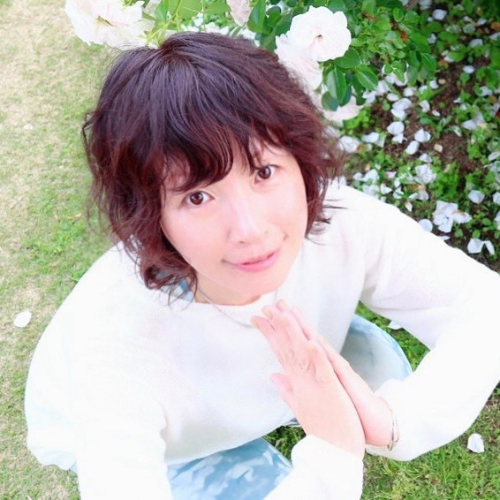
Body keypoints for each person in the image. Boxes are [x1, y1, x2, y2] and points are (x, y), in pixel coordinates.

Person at [25, 32, 500, 499]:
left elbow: (486, 307)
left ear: (299, 159)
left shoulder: (342, 221)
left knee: (382, 367)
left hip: (262, 377)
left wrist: (398, 421)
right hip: (174, 444)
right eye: (198, 197)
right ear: (150, 215)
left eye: (264, 172)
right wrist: (332, 455)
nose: (249, 229)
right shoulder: (115, 344)